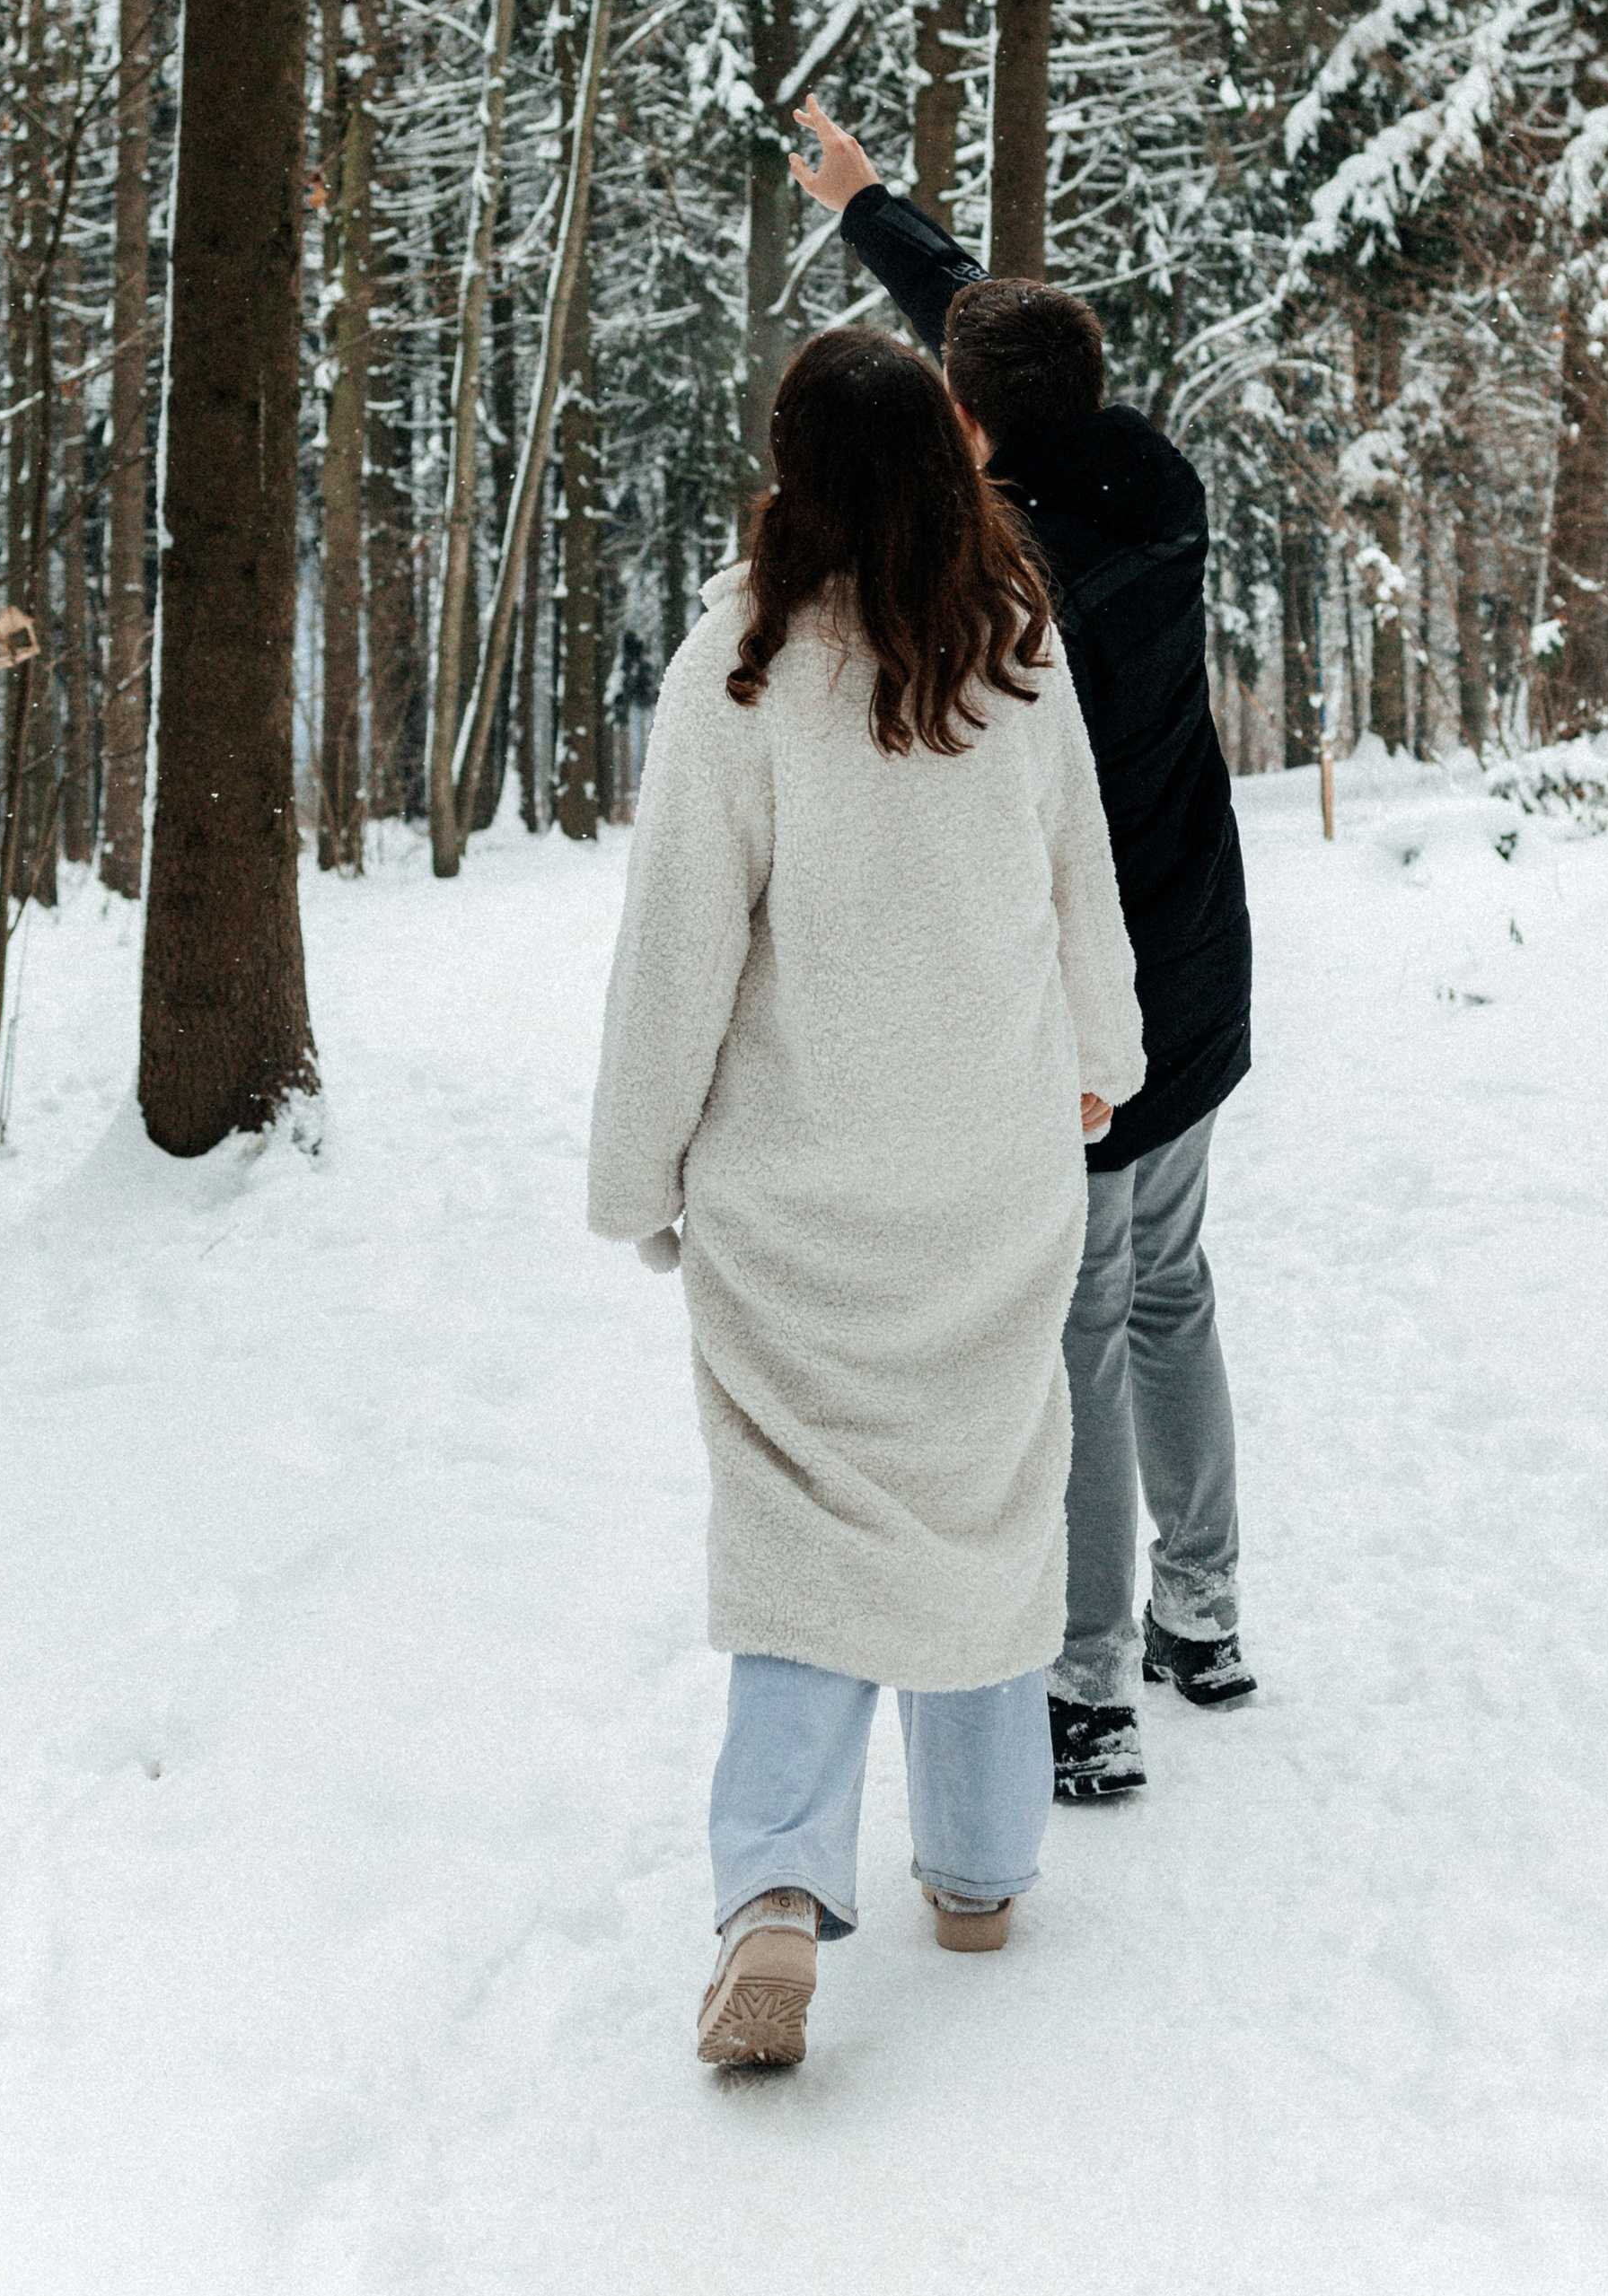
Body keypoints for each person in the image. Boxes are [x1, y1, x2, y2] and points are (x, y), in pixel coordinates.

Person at [587, 325, 1142, 2069]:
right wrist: (1102, 1061)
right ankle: (975, 1868)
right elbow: (1081, 887)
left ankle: (770, 1887)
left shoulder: (734, 672)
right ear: (946, 461)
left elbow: (675, 947)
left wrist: (634, 1175)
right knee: (979, 1502)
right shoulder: (1016, 653)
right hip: (986, 1177)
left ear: (793, 470)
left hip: (796, 1197)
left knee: (800, 1532)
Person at [788, 101, 1257, 1807]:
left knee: (1079, 1318)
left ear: (969, 426)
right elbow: (992, 324)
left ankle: (1086, 1684)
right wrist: (873, 211)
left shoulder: (1003, 573)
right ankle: (1202, 1617)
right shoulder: (1156, 476)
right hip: (1206, 968)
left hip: (1099, 1000)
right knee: (1175, 1290)